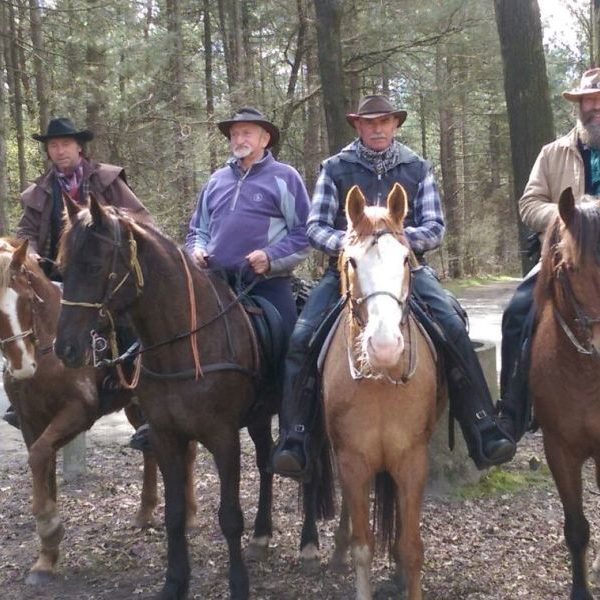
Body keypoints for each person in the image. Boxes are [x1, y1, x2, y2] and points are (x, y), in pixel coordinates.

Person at [271, 94, 516, 480]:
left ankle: (483, 427)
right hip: (349, 272)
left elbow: (434, 226)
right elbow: (315, 226)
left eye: (385, 122)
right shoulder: (335, 168)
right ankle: (295, 436)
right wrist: (355, 245)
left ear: (395, 125)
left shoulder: (417, 167)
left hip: (407, 270)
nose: (378, 128)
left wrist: (395, 241)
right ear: (358, 126)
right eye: (370, 123)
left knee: (452, 326)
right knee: (301, 337)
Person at [3, 117, 152, 430]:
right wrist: (27, 254)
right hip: (54, 277)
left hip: (103, 276)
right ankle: (24, 399)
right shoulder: (40, 191)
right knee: (21, 318)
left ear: (79, 147)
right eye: (53, 146)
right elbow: (26, 230)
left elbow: (141, 219)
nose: (59, 151)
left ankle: (136, 385)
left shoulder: (107, 180)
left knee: (128, 322)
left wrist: (111, 224)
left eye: (65, 145)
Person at [498, 67, 600, 442]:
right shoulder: (553, 153)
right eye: (589, 100)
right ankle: (514, 409)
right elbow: (529, 203)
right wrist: (566, 220)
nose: (595, 107)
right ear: (579, 106)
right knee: (516, 313)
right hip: (565, 257)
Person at [184, 106, 311, 340]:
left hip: (266, 286)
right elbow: (197, 230)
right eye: (234, 134)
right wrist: (196, 250)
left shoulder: (285, 177)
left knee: (291, 348)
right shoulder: (215, 181)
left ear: (265, 138)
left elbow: (305, 233)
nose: (238, 139)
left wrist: (270, 257)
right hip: (214, 284)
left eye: (246, 133)